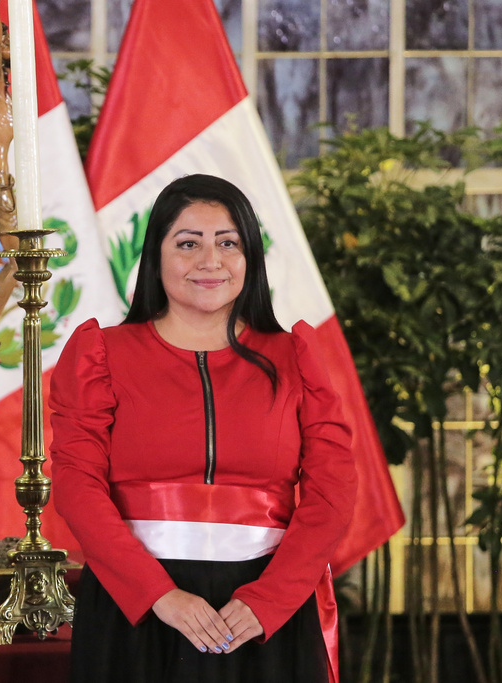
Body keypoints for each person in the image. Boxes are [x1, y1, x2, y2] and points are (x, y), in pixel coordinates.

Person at [49, 174, 357, 683]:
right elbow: (77, 485)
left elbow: (333, 492)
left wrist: (268, 599)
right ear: (156, 256)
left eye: (228, 243)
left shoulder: (295, 356)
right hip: (140, 613)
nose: (209, 261)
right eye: (188, 243)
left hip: (263, 618)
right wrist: (157, 595)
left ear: (250, 256)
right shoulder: (100, 354)